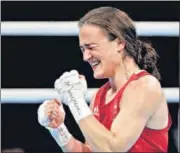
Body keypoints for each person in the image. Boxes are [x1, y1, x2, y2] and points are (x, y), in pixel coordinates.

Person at [37, 6, 172, 152]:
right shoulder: (99, 96)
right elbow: (94, 149)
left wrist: (75, 100)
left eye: (91, 47)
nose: (86, 57)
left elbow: (113, 149)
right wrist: (58, 130)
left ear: (119, 43)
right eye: (83, 49)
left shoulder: (145, 86)